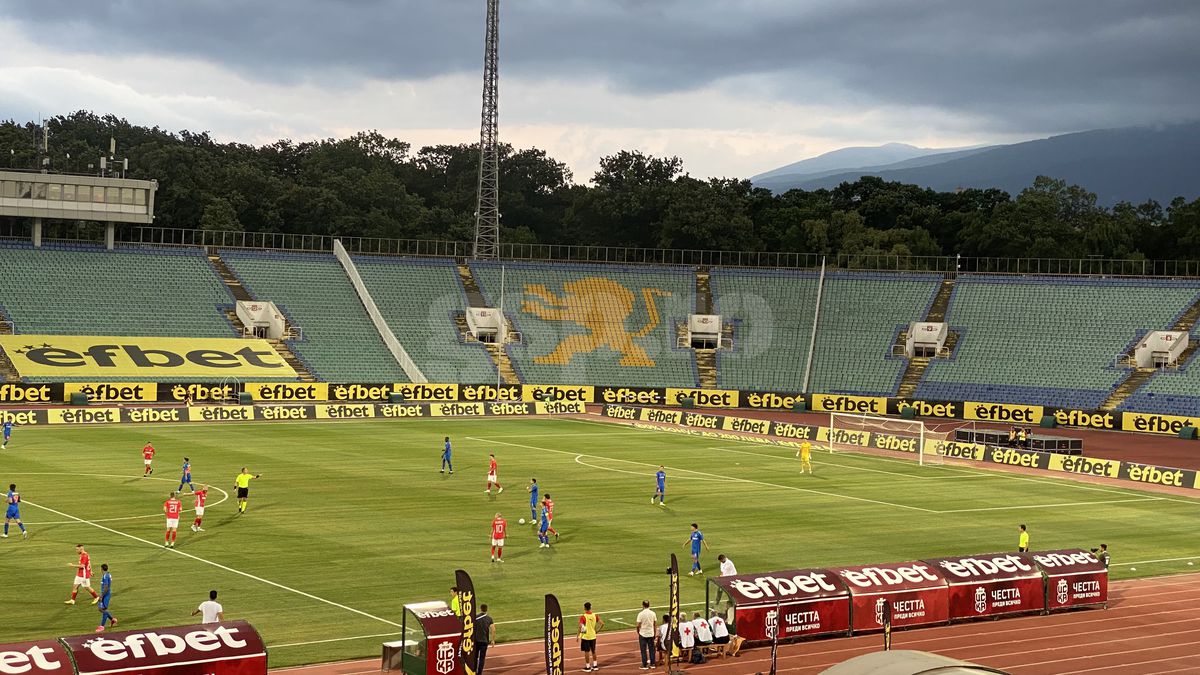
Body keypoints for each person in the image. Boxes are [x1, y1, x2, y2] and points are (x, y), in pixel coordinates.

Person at [577, 601, 604, 672]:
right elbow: (602, 623)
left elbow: (580, 627)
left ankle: (588, 667)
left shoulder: (583, 616)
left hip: (586, 636)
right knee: (593, 651)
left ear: (584, 608)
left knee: (586, 651)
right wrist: (597, 631)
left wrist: (577, 636)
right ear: (590, 607)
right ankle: (595, 666)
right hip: (593, 636)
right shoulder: (595, 615)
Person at [474, 603, 496, 674]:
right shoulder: (489, 619)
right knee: (482, 658)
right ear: (486, 609)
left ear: (480, 609)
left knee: (475, 657)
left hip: (476, 640)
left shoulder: (475, 617)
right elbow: (493, 629)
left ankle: (473, 671)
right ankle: (479, 673)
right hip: (484, 641)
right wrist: (492, 640)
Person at [635, 600, 657, 670]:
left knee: (643, 650)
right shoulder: (653, 613)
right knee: (652, 650)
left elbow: (638, 625)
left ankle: (644, 665)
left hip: (643, 633)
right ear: (649, 605)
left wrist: (638, 631)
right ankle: (652, 664)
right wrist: (654, 633)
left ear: (643, 605)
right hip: (651, 633)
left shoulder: (640, 614)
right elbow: (655, 625)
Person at [95, 564, 117, 632]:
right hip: (105, 594)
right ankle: (112, 619)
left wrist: (101, 595)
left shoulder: (105, 576)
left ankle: (102, 626)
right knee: (100, 608)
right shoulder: (108, 574)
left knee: (103, 609)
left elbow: (106, 587)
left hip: (106, 595)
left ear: (101, 569)